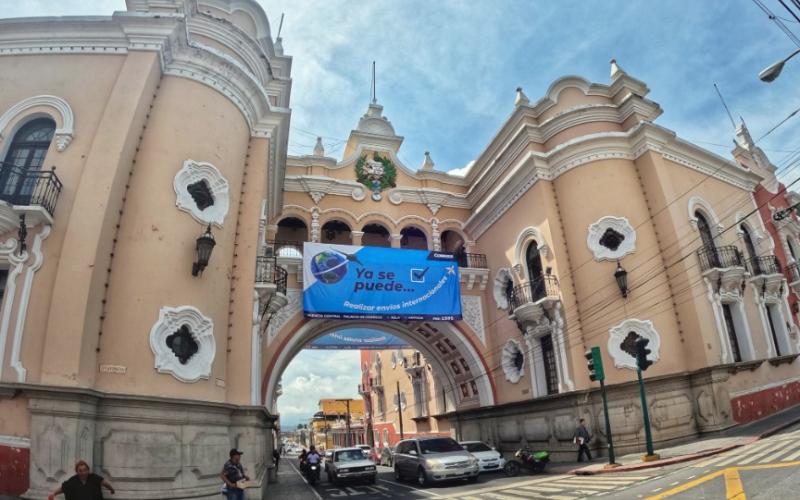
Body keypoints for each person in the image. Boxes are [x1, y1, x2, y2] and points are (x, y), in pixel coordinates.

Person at [48, 460, 115, 500]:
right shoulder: (73, 480)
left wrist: (111, 489)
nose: (83, 472)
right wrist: (54, 493)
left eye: (85, 470)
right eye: (80, 471)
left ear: (88, 470)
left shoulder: (94, 478)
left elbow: (105, 483)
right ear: (77, 471)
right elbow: (63, 488)